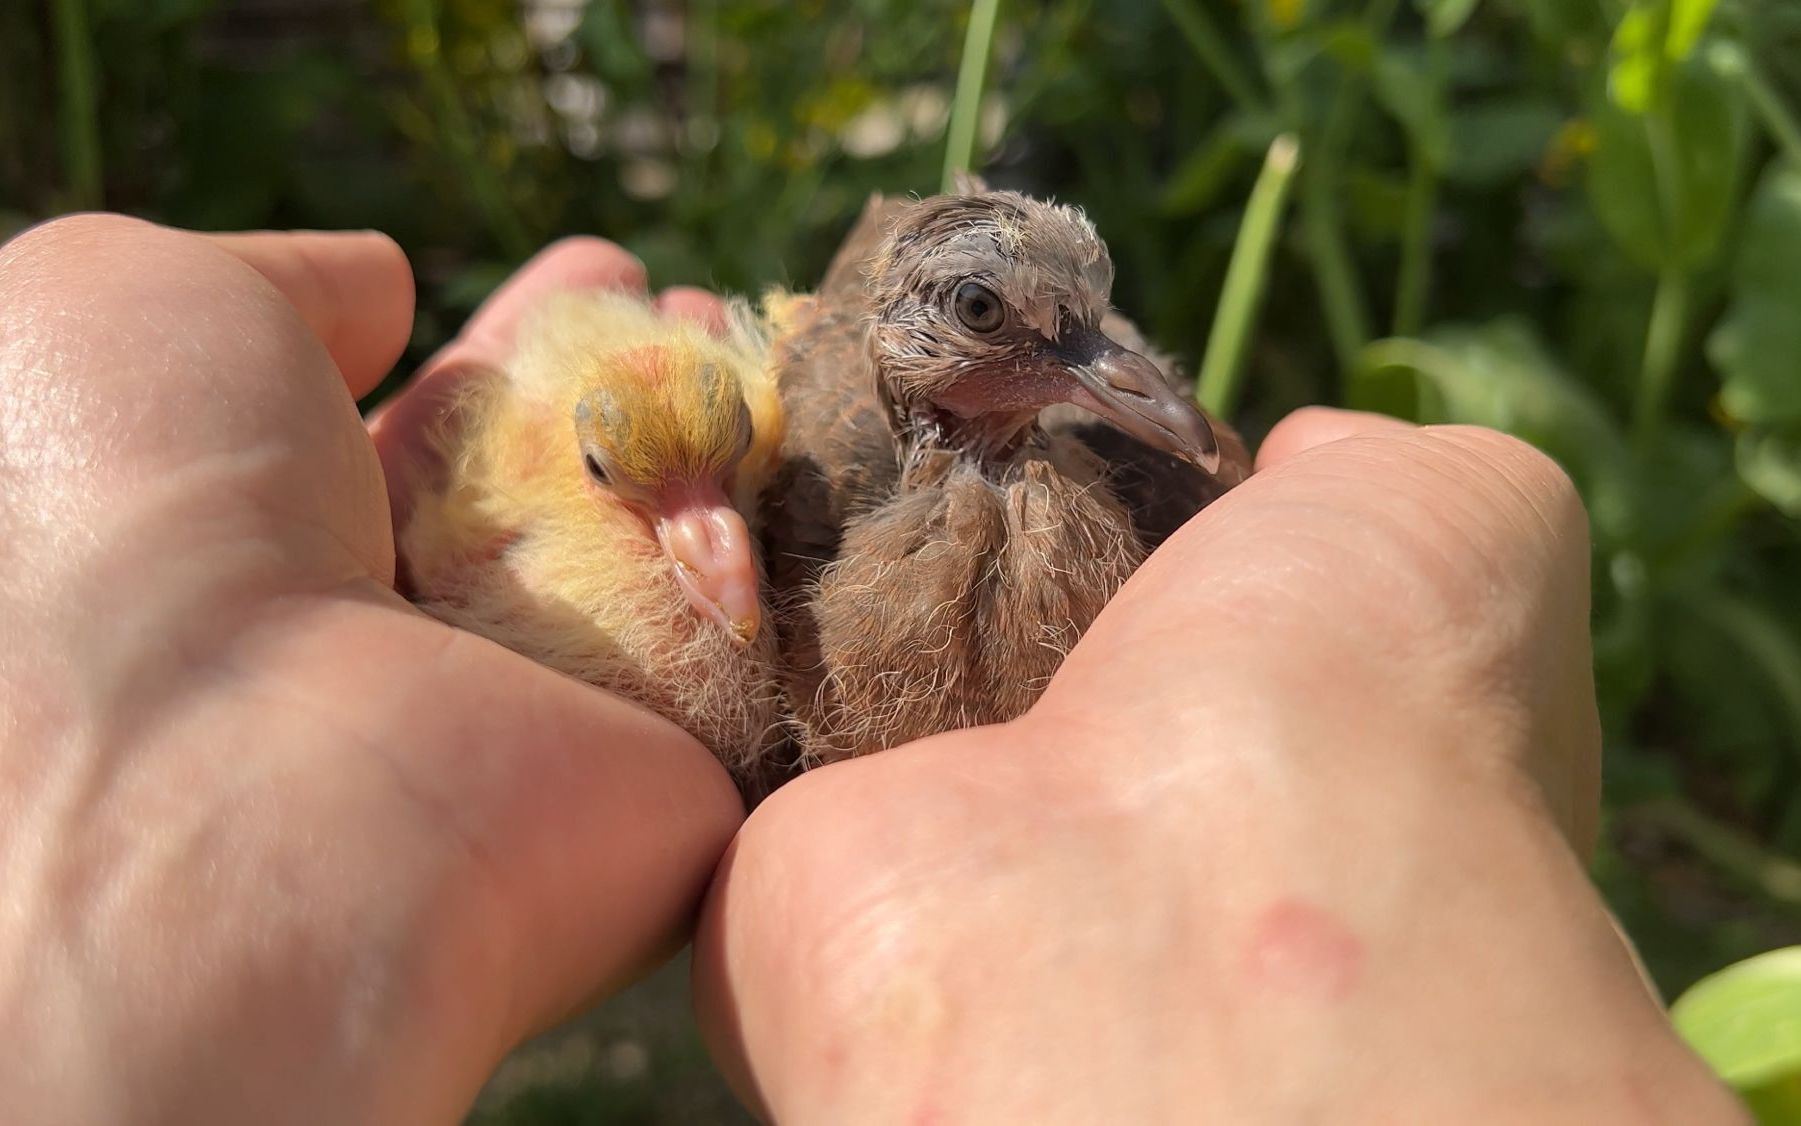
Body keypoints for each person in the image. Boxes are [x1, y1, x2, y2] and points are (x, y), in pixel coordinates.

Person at [0, 216, 1742, 1125]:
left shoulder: (1136, 464)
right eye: (998, 327)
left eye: (1096, 328)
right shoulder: (791, 500)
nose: (1125, 377)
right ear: (906, 349)